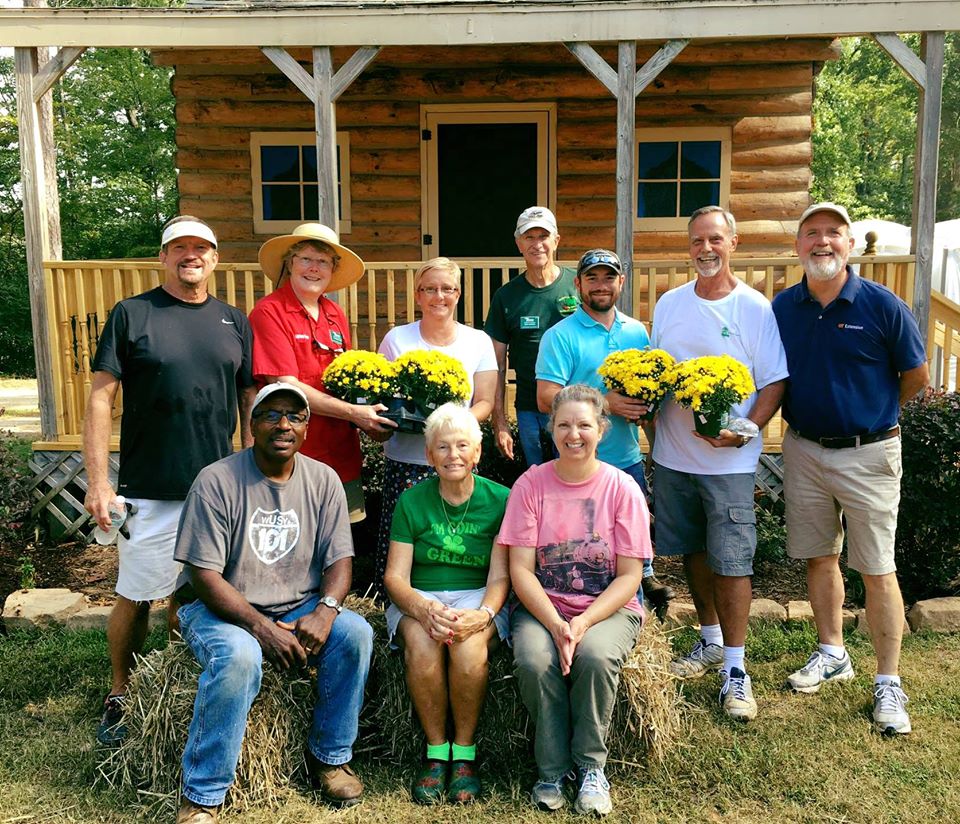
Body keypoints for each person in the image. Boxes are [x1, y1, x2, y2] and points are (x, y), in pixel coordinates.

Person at [83, 215, 255, 747]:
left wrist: (253, 472)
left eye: (200, 247)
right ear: (163, 257)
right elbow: (99, 397)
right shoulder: (133, 314)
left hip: (216, 488)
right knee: (135, 596)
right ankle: (120, 691)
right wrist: (96, 482)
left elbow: (249, 400)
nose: (190, 255)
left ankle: (181, 689)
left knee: (195, 596)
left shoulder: (233, 320)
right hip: (146, 489)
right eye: (178, 247)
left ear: (214, 258)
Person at [173, 383, 374, 824]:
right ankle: (202, 793)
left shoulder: (324, 480)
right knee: (240, 657)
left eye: (294, 416)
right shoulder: (217, 481)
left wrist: (326, 610)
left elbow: (341, 559)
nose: (283, 425)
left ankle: (330, 758)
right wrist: (260, 628)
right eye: (271, 415)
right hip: (220, 610)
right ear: (252, 424)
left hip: (297, 604)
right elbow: (202, 576)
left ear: (306, 427)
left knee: (356, 633)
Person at [772, 202, 928, 735]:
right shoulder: (784, 308)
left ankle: (888, 683)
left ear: (850, 245)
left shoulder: (883, 305)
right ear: (797, 246)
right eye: (811, 233)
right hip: (804, 450)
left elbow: (915, 376)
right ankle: (832, 651)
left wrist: (871, 415)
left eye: (833, 234)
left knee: (876, 568)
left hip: (869, 452)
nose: (822, 242)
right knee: (820, 557)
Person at [651, 206, 788, 721]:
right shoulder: (669, 304)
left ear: (733, 242)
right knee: (691, 550)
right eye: (696, 241)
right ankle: (709, 640)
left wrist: (746, 430)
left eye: (714, 239)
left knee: (732, 561)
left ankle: (735, 667)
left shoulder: (753, 307)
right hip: (673, 456)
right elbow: (659, 371)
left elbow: (773, 380)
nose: (705, 249)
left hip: (730, 462)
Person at [500, 384, 651, 816]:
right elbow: (520, 571)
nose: (574, 434)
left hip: (608, 607)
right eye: (563, 424)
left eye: (584, 424)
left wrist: (582, 626)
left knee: (597, 658)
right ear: (550, 430)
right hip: (541, 605)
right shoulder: (531, 485)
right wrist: (555, 624)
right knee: (533, 660)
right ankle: (551, 770)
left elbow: (629, 578)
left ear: (602, 429)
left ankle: (590, 767)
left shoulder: (623, 489)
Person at [383, 403, 510, 805]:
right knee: (422, 645)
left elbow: (501, 575)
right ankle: (437, 753)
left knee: (469, 650)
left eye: (462, 446)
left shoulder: (501, 499)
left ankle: (465, 754)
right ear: (429, 455)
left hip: (478, 595)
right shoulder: (411, 501)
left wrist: (484, 614)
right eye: (442, 447)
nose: (452, 455)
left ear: (477, 453)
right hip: (421, 595)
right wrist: (422, 610)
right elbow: (394, 578)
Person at [535, 248, 673, 608]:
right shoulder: (560, 335)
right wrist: (605, 403)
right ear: (578, 284)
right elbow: (546, 396)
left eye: (608, 277)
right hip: (576, 463)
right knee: (584, 550)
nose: (601, 285)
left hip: (625, 456)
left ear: (621, 283)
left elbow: (645, 389)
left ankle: (637, 606)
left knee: (631, 541)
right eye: (592, 278)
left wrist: (648, 411)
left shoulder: (636, 333)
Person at [249, 222, 396, 524]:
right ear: (290, 263)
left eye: (323, 261)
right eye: (306, 258)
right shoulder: (269, 311)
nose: (314, 268)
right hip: (293, 451)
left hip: (341, 450)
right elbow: (286, 385)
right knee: (294, 538)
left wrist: (371, 419)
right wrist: (356, 412)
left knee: (341, 538)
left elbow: (348, 382)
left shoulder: (334, 313)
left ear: (332, 269)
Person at [375, 257, 497, 594]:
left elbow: (485, 400)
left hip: (457, 459)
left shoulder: (478, 342)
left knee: (453, 539)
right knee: (406, 538)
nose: (438, 296)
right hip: (408, 459)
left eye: (446, 289)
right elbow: (383, 396)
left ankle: (459, 594)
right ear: (417, 295)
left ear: (458, 294)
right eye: (429, 289)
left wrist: (452, 429)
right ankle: (399, 603)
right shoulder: (397, 340)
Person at [485, 206, 579, 466]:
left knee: (579, 477)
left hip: (579, 409)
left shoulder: (579, 285)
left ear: (556, 241)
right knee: (538, 479)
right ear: (519, 244)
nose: (537, 244)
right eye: (529, 237)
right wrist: (500, 423)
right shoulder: (506, 296)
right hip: (529, 409)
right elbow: (496, 366)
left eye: (543, 236)